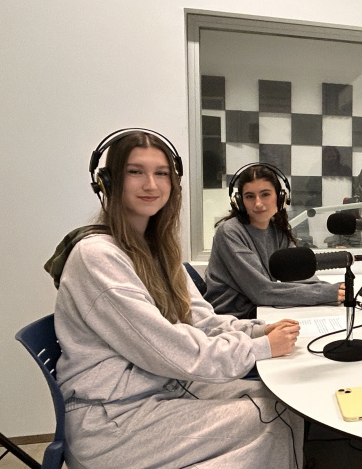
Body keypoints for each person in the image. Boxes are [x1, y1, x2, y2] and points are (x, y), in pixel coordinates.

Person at [48, 129, 303, 468]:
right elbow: (167, 348)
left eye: (161, 173)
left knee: (282, 402)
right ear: (107, 183)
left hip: (158, 389)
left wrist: (258, 330)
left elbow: (202, 319)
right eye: (135, 172)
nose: (151, 184)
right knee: (274, 418)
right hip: (112, 420)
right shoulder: (97, 257)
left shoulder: (156, 249)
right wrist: (261, 348)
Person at [206, 163, 345, 318]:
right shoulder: (230, 232)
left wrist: (331, 289)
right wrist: (325, 293)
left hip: (262, 309)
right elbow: (262, 292)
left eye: (265, 194)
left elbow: (298, 273)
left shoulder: (277, 229)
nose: (258, 203)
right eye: (250, 196)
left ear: (280, 197)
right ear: (239, 202)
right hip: (234, 317)